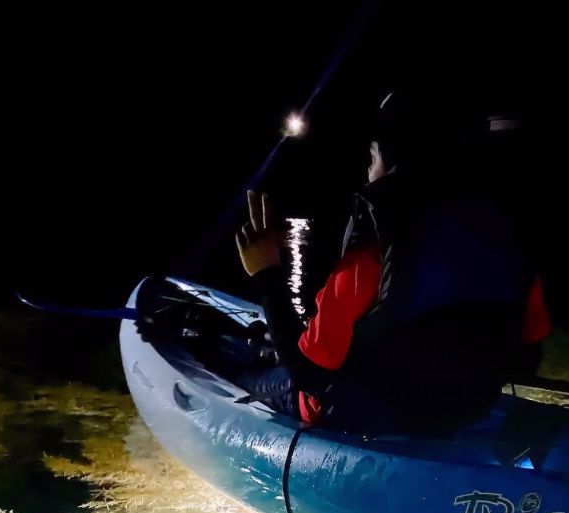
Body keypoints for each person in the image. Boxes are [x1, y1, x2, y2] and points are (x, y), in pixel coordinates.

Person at [234, 93, 549, 434]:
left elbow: (309, 375)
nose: (368, 173)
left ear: (390, 159)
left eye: (371, 159)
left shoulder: (373, 256)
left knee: (245, 377)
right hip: (467, 408)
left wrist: (266, 272)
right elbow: (528, 356)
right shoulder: (504, 240)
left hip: (366, 414)